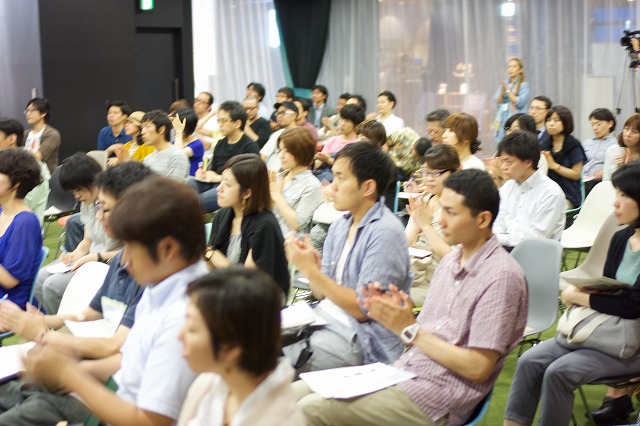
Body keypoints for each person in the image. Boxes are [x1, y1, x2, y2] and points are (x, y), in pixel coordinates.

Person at [295, 169, 528, 426]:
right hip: (404, 374)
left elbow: (477, 367)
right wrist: (395, 318)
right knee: (288, 395)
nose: (442, 222)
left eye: (451, 213)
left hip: (437, 398)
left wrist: (409, 330)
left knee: (309, 409)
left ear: (483, 219)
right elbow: (421, 335)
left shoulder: (501, 276)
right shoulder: (451, 261)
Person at [25, 175, 209, 426]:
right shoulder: (161, 285)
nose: (124, 259)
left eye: (131, 247)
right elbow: (130, 359)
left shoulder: (185, 314)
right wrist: (66, 373)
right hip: (115, 395)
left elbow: (149, 420)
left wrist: (69, 376)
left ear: (167, 249)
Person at [0, 162, 153, 425]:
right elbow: (91, 313)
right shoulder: (121, 261)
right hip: (83, 375)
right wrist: (44, 322)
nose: (99, 216)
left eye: (105, 208)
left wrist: (45, 337)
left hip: (100, 393)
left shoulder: (154, 276)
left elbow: (116, 348)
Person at [503, 161, 640, 426]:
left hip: (631, 342)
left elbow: (634, 305)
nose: (616, 204)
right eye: (616, 195)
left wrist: (580, 297)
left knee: (559, 372)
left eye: (624, 195)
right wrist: (589, 290)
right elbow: (612, 289)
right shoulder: (622, 237)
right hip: (605, 332)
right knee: (530, 361)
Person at [284, 142, 412, 372]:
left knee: (264, 361)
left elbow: (362, 311)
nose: (332, 187)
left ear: (367, 187)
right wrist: (311, 267)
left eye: (341, 179)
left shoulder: (385, 232)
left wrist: (311, 271)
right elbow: (321, 294)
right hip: (324, 320)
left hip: (361, 341)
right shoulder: (340, 226)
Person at [177, 268, 304, 426]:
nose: (179, 336)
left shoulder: (278, 420)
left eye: (192, 329)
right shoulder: (210, 382)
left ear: (230, 349)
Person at [35, 153, 120, 315]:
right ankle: (58, 327)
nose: (76, 196)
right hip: (92, 260)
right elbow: (87, 241)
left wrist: (98, 257)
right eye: (73, 192)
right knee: (39, 278)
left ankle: (67, 328)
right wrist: (74, 255)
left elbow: (133, 251)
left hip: (109, 263)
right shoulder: (87, 202)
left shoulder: (117, 203)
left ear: (95, 181)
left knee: (52, 286)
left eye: (79, 190)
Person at [207, 154, 289, 296]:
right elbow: (210, 267)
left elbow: (247, 281)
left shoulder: (265, 224)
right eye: (221, 181)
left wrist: (209, 252)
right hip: (228, 290)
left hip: (261, 300)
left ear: (246, 193)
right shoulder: (223, 215)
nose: (218, 189)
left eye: (227, 184)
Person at [404, 144, 459, 306]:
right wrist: (415, 222)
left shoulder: (459, 206)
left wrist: (426, 226)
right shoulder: (425, 200)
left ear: (455, 171)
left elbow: (454, 259)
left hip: (438, 279)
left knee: (390, 298)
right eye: (426, 172)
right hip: (415, 271)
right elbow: (405, 244)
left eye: (436, 173)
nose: (428, 178)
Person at [493, 131, 566, 250]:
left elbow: (536, 238)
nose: (503, 167)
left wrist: (496, 239)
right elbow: (498, 221)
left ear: (528, 162)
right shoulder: (508, 187)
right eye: (502, 161)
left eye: (509, 162)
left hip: (534, 254)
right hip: (504, 249)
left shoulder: (551, 193)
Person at [190, 101, 260, 213]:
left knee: (193, 203)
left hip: (231, 188)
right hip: (212, 183)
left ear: (237, 123)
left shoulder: (250, 146)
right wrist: (205, 174)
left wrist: (218, 178)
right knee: (184, 185)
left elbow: (248, 179)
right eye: (219, 120)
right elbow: (213, 170)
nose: (220, 125)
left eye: (224, 121)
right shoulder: (220, 143)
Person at [0, 149, 43, 309]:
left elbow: (10, 280)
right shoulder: (2, 210)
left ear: (15, 184)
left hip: (9, 302)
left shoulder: (25, 222)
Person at [269, 127, 323, 236]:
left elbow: (297, 224)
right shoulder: (278, 177)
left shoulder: (312, 185)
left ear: (301, 151)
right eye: (280, 150)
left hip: (288, 244)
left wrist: (276, 195)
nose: (281, 155)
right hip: (266, 236)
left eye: (287, 151)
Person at [0, 117, 50, 224]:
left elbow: (21, 204)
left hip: (21, 228)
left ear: (11, 139)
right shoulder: (5, 164)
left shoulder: (31, 167)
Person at [540, 105, 586, 209]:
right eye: (548, 120)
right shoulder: (543, 145)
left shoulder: (573, 145)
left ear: (566, 122)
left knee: (552, 208)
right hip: (546, 193)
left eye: (556, 120)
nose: (551, 124)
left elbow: (576, 174)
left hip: (568, 195)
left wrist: (554, 165)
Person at [313, 104, 365, 179]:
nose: (342, 123)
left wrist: (328, 160)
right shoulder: (332, 140)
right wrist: (319, 159)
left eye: (347, 121)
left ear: (356, 125)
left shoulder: (358, 144)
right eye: (341, 119)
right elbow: (318, 164)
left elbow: (350, 169)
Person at [493, 58, 531, 142]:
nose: (510, 69)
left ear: (520, 69)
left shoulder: (523, 85)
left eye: (514, 66)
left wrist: (507, 90)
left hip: (516, 118)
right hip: (503, 118)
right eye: (509, 67)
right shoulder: (505, 83)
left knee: (515, 140)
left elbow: (519, 102)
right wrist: (502, 91)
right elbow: (497, 102)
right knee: (503, 139)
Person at [583, 108, 618, 192]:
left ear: (610, 123)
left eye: (598, 124)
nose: (595, 128)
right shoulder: (586, 143)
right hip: (582, 180)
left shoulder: (615, 144)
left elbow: (616, 166)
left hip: (599, 182)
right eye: (592, 125)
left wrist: (604, 172)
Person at [23, 97, 60, 174]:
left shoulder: (51, 133)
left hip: (45, 177)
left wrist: (19, 152)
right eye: (27, 110)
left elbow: (39, 156)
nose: (28, 114)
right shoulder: (26, 133)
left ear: (43, 113)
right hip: (26, 175)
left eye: (32, 110)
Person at [261, 101, 299, 171]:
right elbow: (263, 155)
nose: (279, 116)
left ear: (294, 115)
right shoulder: (277, 133)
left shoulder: (301, 135)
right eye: (278, 113)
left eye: (283, 113)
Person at [604, 113, 640, 181]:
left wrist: (626, 167)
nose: (628, 134)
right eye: (626, 129)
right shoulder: (613, 150)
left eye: (634, 131)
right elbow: (606, 180)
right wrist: (620, 167)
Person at [171, 108, 205, 177]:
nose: (174, 128)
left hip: (190, 182)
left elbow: (178, 155)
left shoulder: (197, 144)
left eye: (177, 125)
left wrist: (178, 133)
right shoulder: (173, 143)